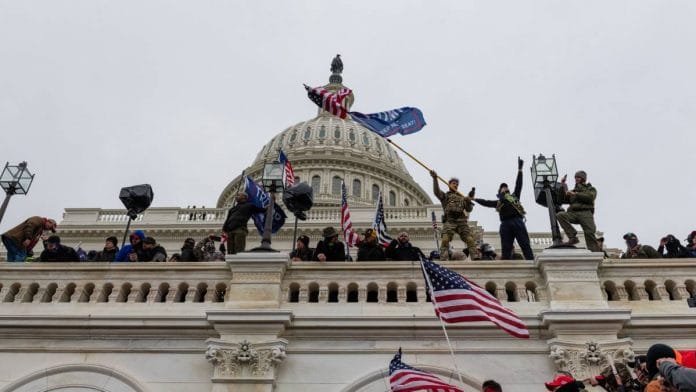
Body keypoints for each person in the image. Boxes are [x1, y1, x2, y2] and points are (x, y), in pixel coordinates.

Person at [474, 158, 534, 260]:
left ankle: (531, 261)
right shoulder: (498, 202)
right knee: (506, 248)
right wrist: (475, 199)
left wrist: (520, 170)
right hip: (505, 224)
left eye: (506, 187)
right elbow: (486, 202)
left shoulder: (514, 197)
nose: (505, 188)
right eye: (503, 187)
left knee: (525, 244)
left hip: (517, 221)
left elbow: (518, 185)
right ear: (500, 191)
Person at [430, 170, 477, 261]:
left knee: (470, 239)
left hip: (461, 221)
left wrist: (468, 200)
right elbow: (436, 192)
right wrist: (435, 179)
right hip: (450, 220)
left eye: (456, 184)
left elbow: (469, 209)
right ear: (449, 185)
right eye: (453, 183)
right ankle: (444, 257)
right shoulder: (446, 196)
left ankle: (476, 257)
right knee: (445, 239)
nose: (455, 185)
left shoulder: (462, 198)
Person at [556, 170, 600, 252]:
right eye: (575, 177)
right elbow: (561, 200)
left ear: (583, 179)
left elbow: (590, 197)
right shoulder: (573, 191)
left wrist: (575, 194)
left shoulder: (590, 189)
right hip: (573, 213)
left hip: (585, 213)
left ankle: (595, 252)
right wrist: (562, 185)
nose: (576, 179)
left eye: (578, 177)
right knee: (560, 215)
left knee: (589, 232)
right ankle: (573, 237)